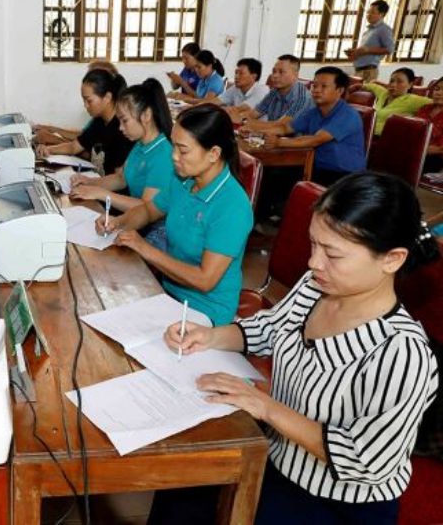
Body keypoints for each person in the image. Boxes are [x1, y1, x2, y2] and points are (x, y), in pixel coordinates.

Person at [149, 171, 440, 525]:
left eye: (332, 254)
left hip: (335, 500)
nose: (314, 262)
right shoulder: (316, 287)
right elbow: (267, 329)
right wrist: (208, 336)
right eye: (314, 244)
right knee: (179, 490)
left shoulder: (401, 353)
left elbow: (365, 460)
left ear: (392, 259)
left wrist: (266, 408)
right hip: (278, 456)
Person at [97, 104, 253, 326]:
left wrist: (145, 248)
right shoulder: (184, 179)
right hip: (169, 293)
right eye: (173, 147)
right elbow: (150, 210)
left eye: (183, 150)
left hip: (204, 313)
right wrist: (116, 222)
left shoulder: (232, 206)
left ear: (214, 154)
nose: (174, 156)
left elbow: (205, 279)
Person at [70, 78, 175, 249]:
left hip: (154, 232)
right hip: (134, 221)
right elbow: (121, 178)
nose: (120, 127)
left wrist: (101, 194)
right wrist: (89, 183)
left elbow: (147, 207)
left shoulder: (163, 154)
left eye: (124, 121)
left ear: (146, 116)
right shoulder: (141, 145)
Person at [251, 67, 365, 186]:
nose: (317, 90)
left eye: (324, 86)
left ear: (339, 90)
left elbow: (315, 140)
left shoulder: (348, 115)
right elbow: (285, 128)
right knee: (268, 174)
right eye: (315, 86)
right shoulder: (314, 112)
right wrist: (255, 131)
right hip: (315, 166)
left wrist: (278, 142)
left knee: (275, 179)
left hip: (343, 176)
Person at [37, 69, 134, 175]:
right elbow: (73, 147)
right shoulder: (99, 122)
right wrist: (48, 149)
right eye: (84, 101)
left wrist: (89, 185)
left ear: (107, 97)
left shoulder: (122, 128)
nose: (86, 106)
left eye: (89, 100)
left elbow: (119, 179)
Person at [35, 60, 120, 145]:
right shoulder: (99, 117)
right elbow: (83, 137)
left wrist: (55, 140)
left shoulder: (116, 119)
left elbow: (93, 153)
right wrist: (52, 129)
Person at [228, 54, 314, 128]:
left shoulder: (302, 97)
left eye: (281, 72)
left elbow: (281, 125)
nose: (275, 76)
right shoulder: (274, 92)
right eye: (274, 71)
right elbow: (254, 113)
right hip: (271, 137)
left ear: (295, 75)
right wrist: (237, 117)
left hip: (294, 143)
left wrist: (243, 121)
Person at [363, 68, 432, 136]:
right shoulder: (384, 93)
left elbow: (435, 102)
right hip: (368, 133)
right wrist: (358, 86)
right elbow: (373, 86)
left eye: (399, 81)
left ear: (410, 85)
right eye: (391, 81)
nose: (393, 84)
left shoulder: (413, 100)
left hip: (387, 139)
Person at [345, 0, 395, 83]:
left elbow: (389, 49)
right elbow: (366, 50)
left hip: (368, 72)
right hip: (359, 70)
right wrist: (355, 53)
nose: (368, 15)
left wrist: (367, 50)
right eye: (368, 12)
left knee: (362, 95)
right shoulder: (369, 30)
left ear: (381, 14)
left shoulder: (384, 29)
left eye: (372, 12)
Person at [416, 77, 443, 171]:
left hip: (436, 158)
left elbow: (440, 149)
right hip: (417, 150)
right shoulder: (424, 108)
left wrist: (419, 149)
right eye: (437, 89)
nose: (438, 93)